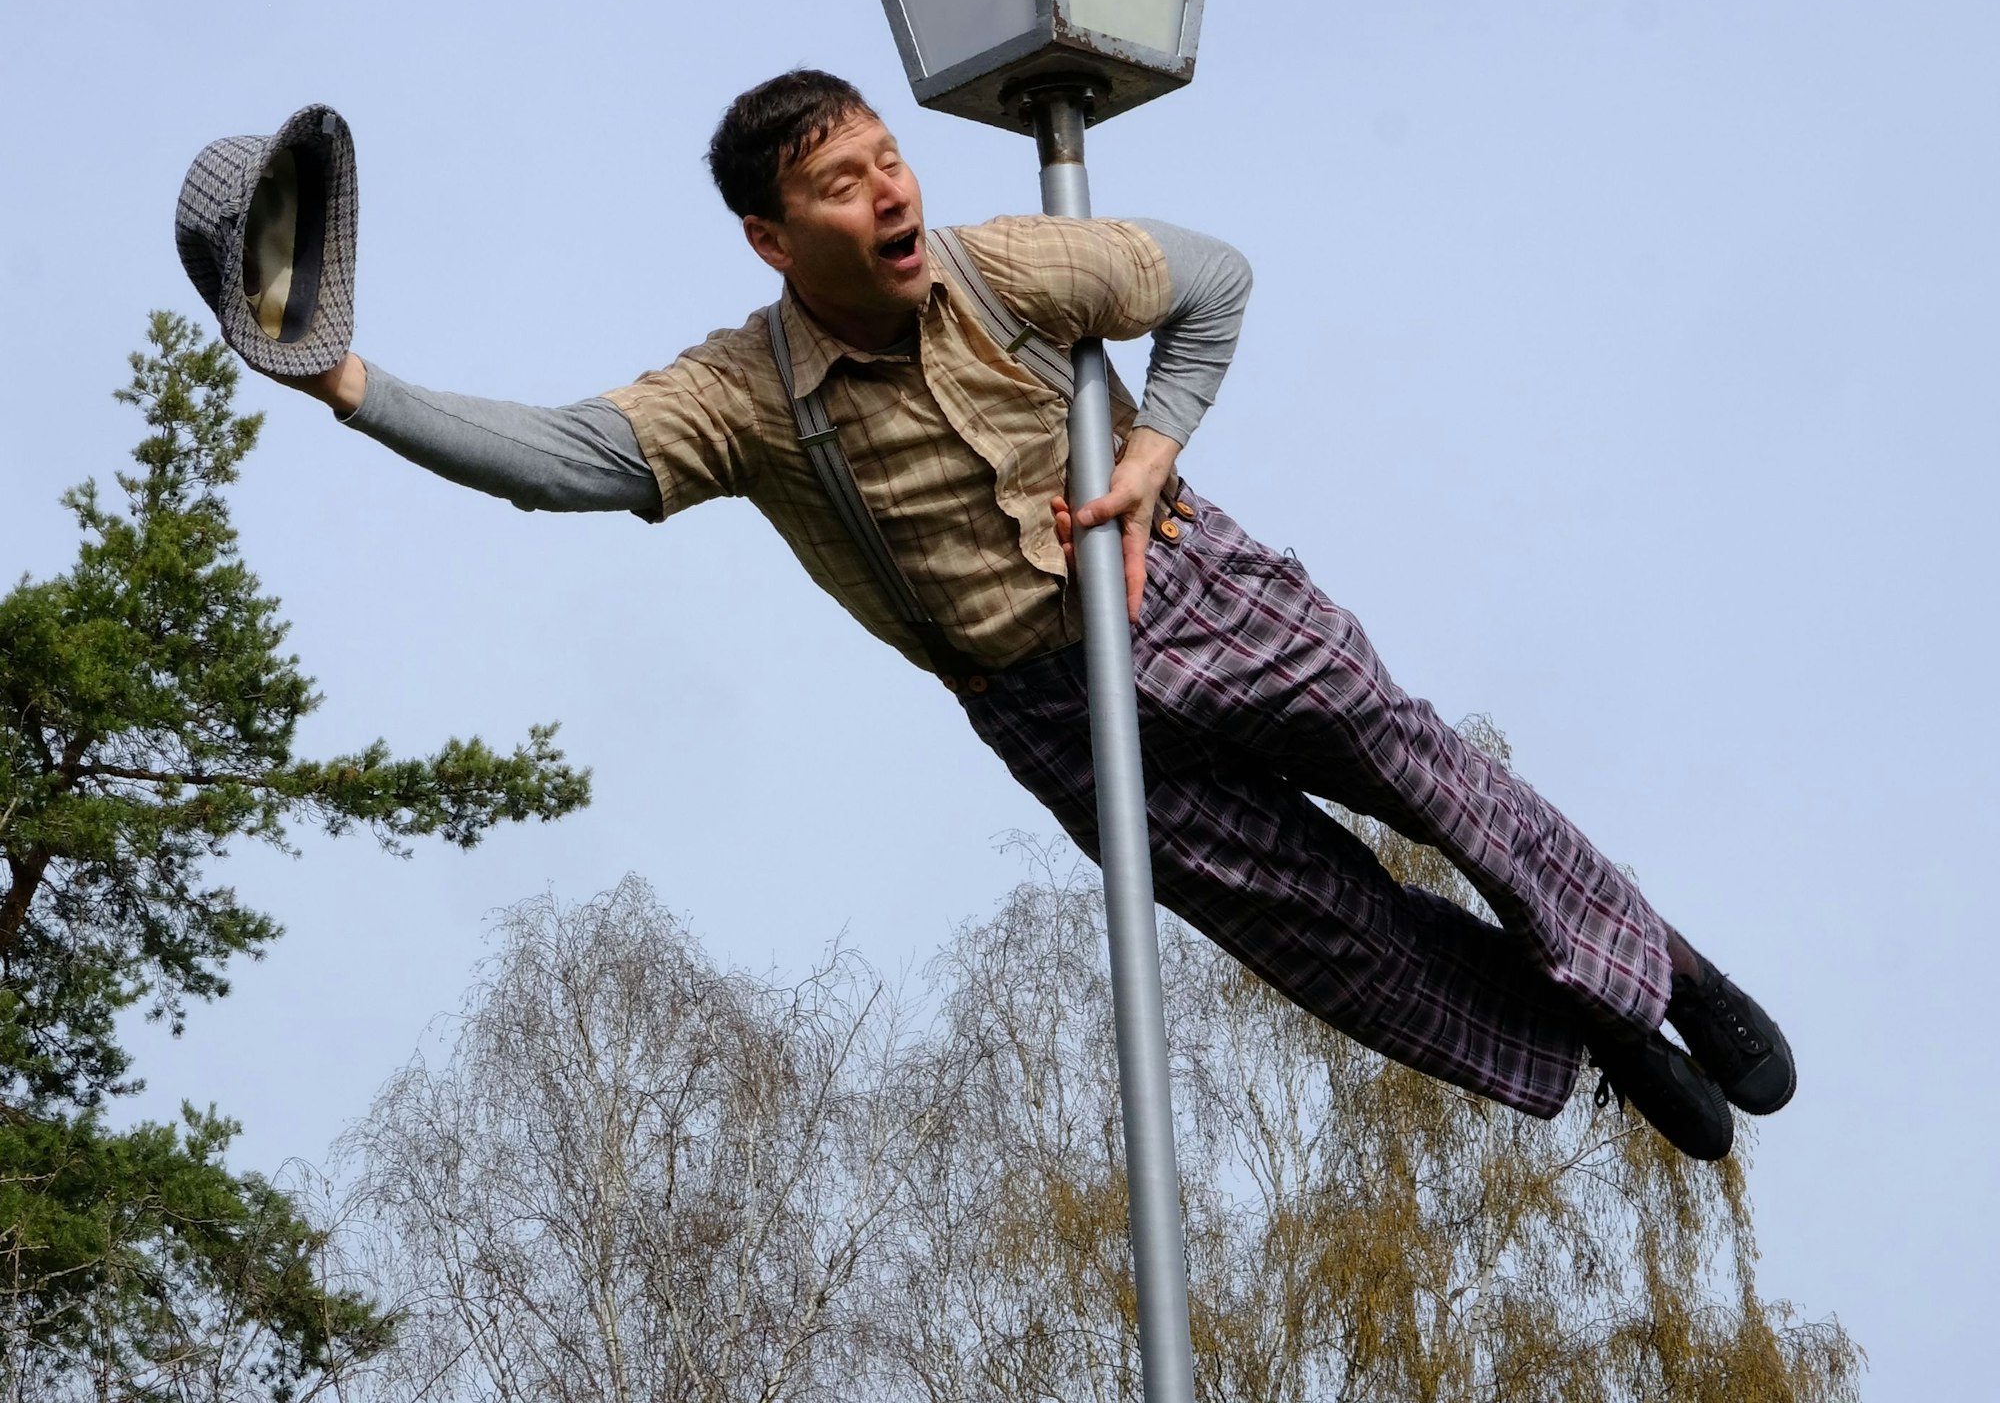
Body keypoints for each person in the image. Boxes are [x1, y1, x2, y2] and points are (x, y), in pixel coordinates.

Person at [273, 69, 1793, 1160]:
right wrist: (352, 389)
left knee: (1417, 768)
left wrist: (1152, 443)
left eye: (887, 158)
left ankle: (1660, 967)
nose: (890, 189)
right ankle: (1589, 1039)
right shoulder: (740, 397)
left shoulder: (1004, 268)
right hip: (1040, 705)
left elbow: (1215, 282)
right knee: (1315, 925)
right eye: (842, 182)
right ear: (770, 235)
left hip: (1190, 584)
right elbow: (565, 464)